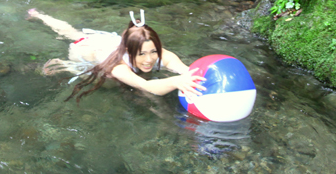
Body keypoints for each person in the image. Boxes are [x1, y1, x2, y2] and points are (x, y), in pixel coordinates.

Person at [27, 8, 206, 103]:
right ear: (128, 50)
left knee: (72, 32)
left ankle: (38, 15)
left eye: (154, 51)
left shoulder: (156, 51)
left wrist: (188, 73)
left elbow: (181, 67)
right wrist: (175, 82)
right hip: (85, 50)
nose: (149, 59)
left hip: (107, 42)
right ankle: (65, 62)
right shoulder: (119, 67)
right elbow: (147, 86)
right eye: (142, 54)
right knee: (107, 82)